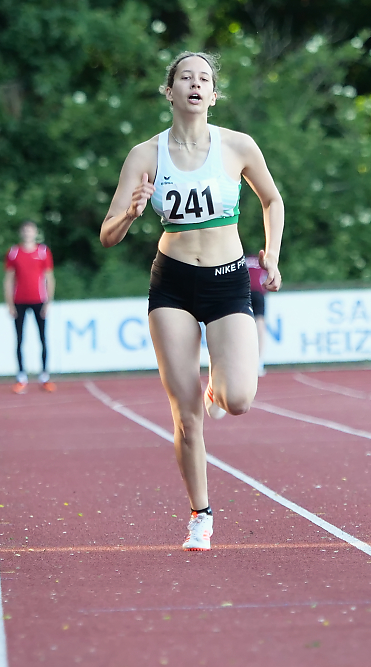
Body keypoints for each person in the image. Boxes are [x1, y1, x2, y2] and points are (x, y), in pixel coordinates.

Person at [100, 51, 284, 551]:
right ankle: (200, 514)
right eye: (186, 77)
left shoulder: (238, 145)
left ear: (213, 94)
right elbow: (107, 234)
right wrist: (131, 214)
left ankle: (213, 393)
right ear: (170, 91)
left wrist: (271, 253)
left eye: (204, 78)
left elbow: (272, 199)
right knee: (185, 415)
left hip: (228, 280)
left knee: (237, 399)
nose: (195, 84)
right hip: (173, 284)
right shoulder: (145, 155)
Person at [3, 220, 56, 393]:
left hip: (39, 300)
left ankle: (44, 376)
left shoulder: (43, 252)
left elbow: (49, 278)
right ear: (21, 233)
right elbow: (8, 279)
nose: (28, 233)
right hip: (19, 301)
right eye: (25, 230)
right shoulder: (14, 252)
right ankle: (21, 377)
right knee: (19, 340)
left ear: (35, 233)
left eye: (30, 230)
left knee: (43, 339)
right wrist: (9, 303)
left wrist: (48, 302)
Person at [246, 254, 269, 376]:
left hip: (245, 293)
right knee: (260, 327)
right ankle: (259, 363)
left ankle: (245, 363)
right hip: (258, 293)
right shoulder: (261, 262)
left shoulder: (240, 260)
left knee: (243, 327)